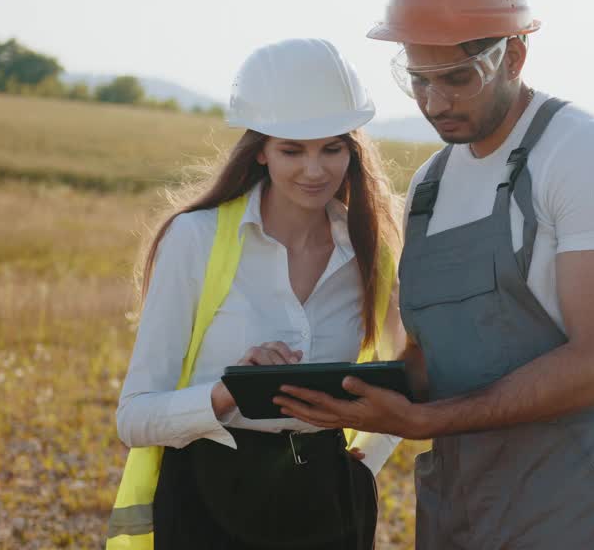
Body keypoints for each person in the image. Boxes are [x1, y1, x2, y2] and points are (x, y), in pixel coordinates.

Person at [272, 0, 594, 548]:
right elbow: (435, 357)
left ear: (515, 54)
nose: (435, 102)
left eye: (457, 77)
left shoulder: (590, 156)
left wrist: (423, 420)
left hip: (575, 510)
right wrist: (339, 400)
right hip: (456, 509)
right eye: (417, 79)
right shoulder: (431, 182)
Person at [106, 38, 405, 550]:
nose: (315, 170)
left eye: (332, 148)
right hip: (209, 499)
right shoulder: (195, 240)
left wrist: (362, 467)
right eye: (293, 150)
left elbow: (406, 379)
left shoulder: (371, 251)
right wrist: (230, 391)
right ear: (261, 149)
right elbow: (134, 418)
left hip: (328, 505)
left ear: (352, 149)